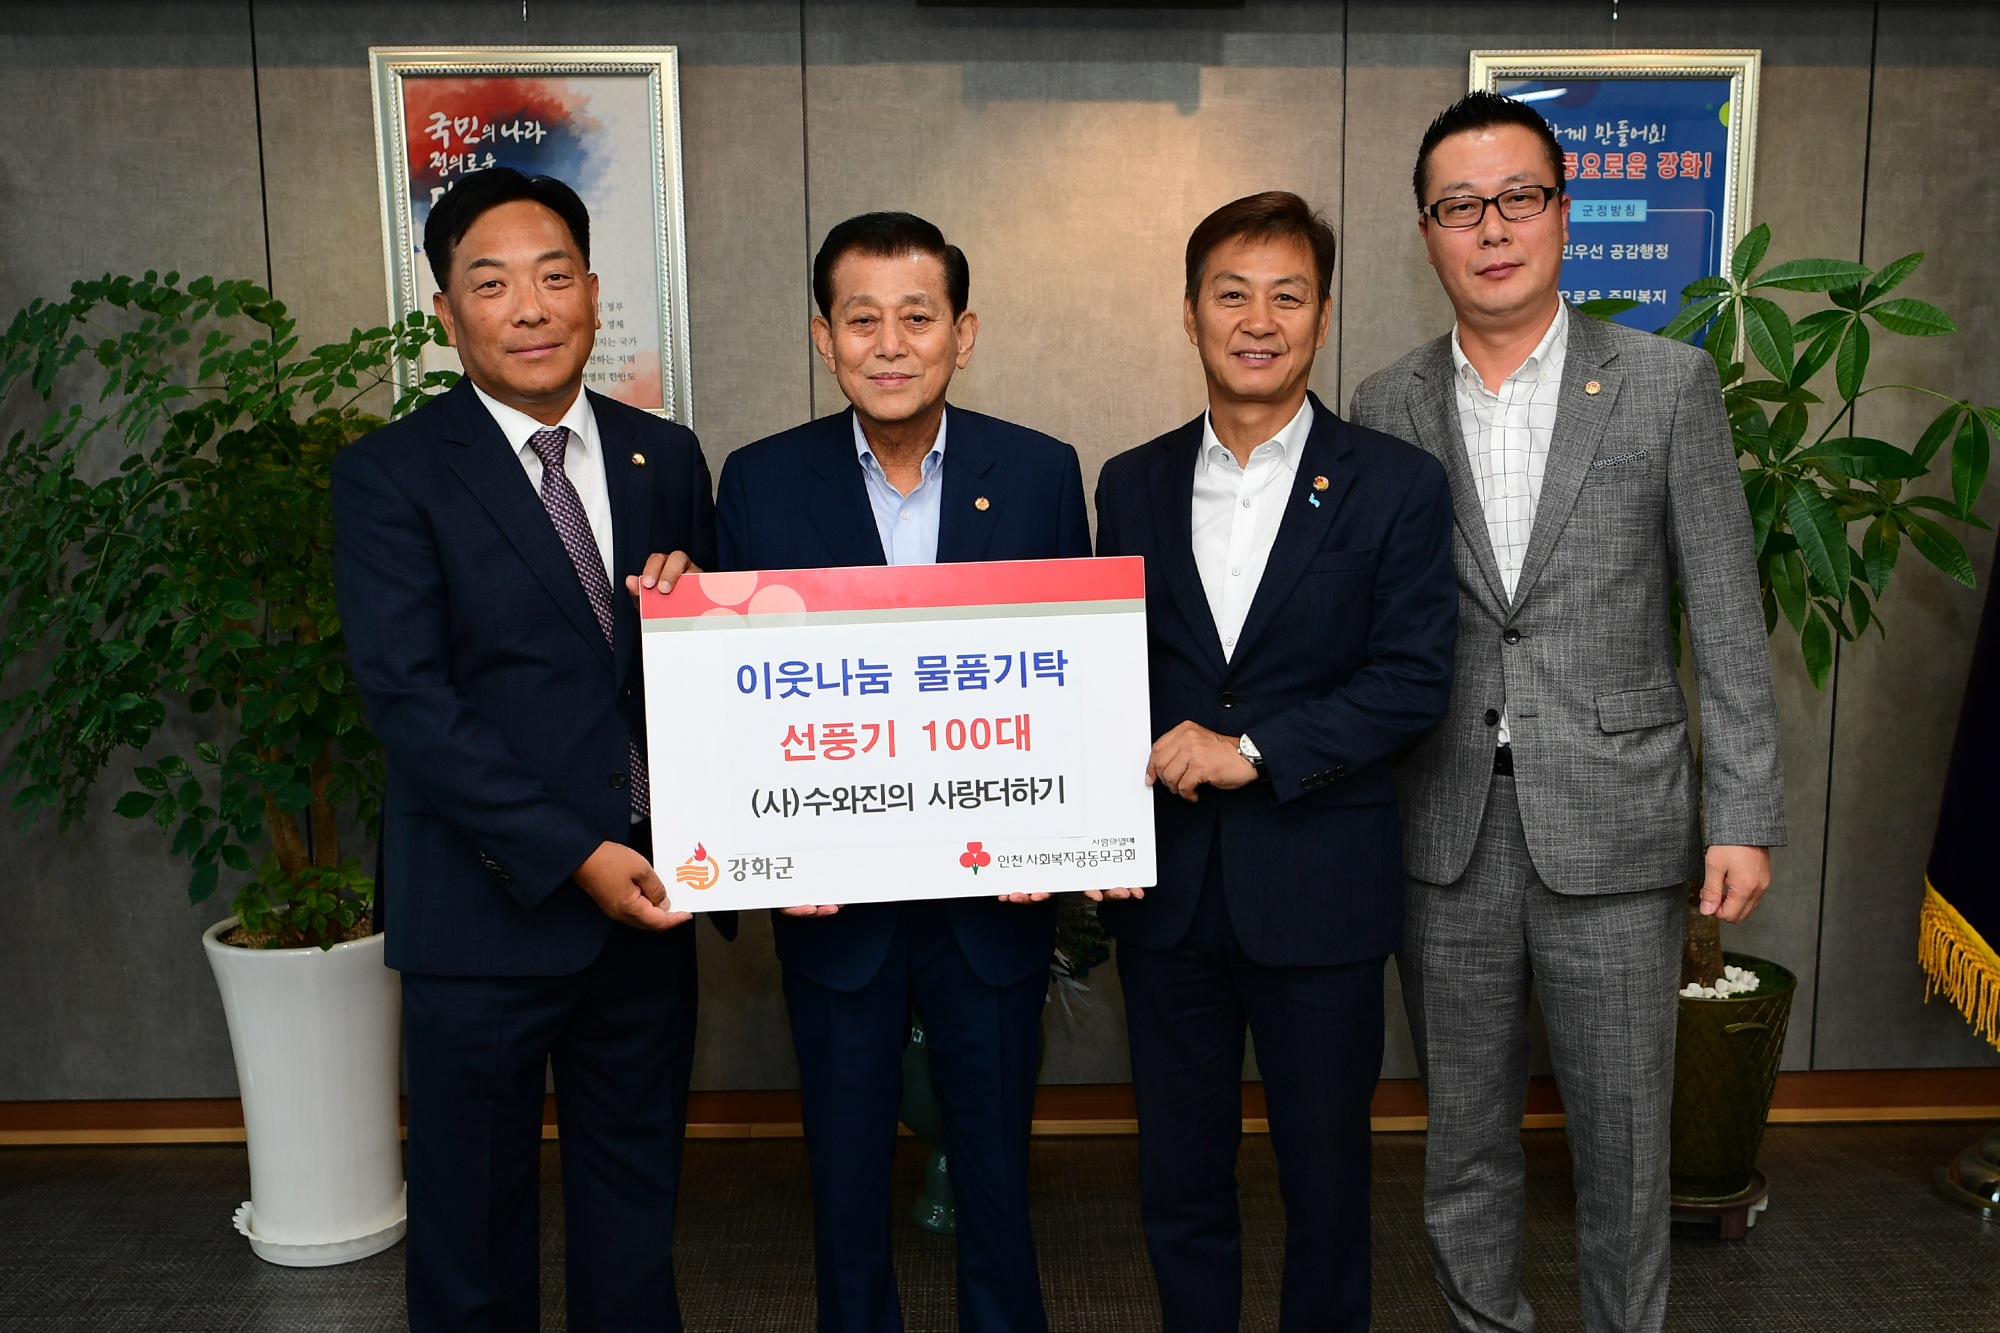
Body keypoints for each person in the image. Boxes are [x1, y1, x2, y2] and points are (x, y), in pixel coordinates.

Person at [1349, 91, 1786, 1333]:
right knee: (1462, 1141)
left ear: (1562, 213)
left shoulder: (1663, 384)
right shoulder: (1385, 404)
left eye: (1517, 198)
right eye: (1458, 207)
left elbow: (1724, 608)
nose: (1490, 228)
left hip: (1618, 828)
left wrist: (1741, 811)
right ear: (1425, 232)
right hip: (1442, 828)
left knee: (1624, 1146)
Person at [332, 167, 719, 1333]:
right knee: (474, 1234)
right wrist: (573, 853)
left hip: (645, 905)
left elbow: (700, 672)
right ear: (446, 311)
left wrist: (706, 605)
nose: (531, 308)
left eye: (554, 277)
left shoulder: (664, 456)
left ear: (594, 292)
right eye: (493, 284)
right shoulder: (391, 472)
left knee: (635, 1212)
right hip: (483, 913)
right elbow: (411, 701)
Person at [714, 211, 1089, 1333]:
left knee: (996, 1183)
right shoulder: (759, 482)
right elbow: (736, 698)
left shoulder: (1039, 472)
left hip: (993, 903)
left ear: (961, 334)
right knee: (842, 1185)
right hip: (835, 910)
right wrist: (764, 851)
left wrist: (1058, 829)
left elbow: (1069, 679)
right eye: (861, 318)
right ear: (822, 337)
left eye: (916, 317)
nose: (890, 343)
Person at [1091, 191, 1458, 1332]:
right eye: (1232, 294)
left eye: (1287, 296)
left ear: (1323, 314)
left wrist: (1252, 749)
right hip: (1168, 898)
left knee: (1327, 1184)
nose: (1259, 320)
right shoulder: (1130, 482)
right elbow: (1106, 678)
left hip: (1320, 892)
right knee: (1179, 1178)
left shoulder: (1395, 482)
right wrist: (1091, 830)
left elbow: (1413, 679)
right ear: (1189, 312)